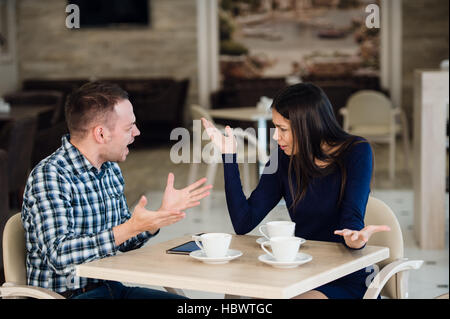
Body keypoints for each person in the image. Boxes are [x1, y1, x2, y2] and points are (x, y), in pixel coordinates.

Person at [21, 81, 212, 299]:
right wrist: (130, 227)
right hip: (68, 295)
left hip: (111, 288)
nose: (137, 132)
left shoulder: (110, 169)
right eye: (129, 127)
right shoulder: (51, 176)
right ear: (101, 134)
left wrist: (154, 220)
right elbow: (59, 255)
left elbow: (125, 240)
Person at [201, 83, 390, 299]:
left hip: (346, 274)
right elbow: (244, 221)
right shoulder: (284, 156)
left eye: (282, 129)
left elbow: (351, 219)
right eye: (275, 128)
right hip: (303, 271)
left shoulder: (356, 151)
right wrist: (229, 156)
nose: (275, 137)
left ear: (307, 126)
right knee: (237, 293)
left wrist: (355, 238)